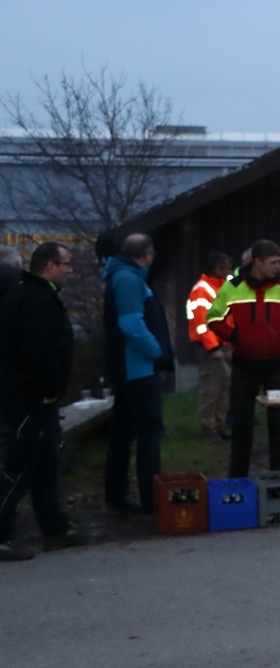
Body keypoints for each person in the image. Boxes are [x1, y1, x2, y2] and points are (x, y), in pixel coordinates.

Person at [0, 242, 83, 560]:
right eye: (66, 264)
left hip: (30, 396)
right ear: (49, 266)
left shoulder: (29, 294)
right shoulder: (36, 299)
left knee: (46, 462)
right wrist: (48, 388)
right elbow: (38, 350)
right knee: (19, 466)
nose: (70, 270)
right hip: (29, 397)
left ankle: (55, 527)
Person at [207, 239, 280, 478]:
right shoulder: (233, 287)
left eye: (279, 262)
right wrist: (235, 336)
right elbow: (213, 317)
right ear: (258, 262)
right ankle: (238, 481)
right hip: (244, 365)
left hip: (278, 365)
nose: (278, 266)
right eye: (273, 262)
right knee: (241, 425)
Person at [103, 233, 174, 513]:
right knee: (147, 434)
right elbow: (131, 323)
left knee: (124, 432)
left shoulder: (123, 275)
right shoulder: (129, 280)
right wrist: (157, 351)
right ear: (147, 256)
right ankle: (148, 498)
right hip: (138, 370)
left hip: (131, 369)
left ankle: (119, 495)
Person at [186, 251, 233, 442]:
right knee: (211, 390)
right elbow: (201, 324)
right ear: (217, 269)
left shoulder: (223, 285)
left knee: (224, 389)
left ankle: (219, 426)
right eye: (227, 268)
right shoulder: (202, 291)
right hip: (209, 348)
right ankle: (208, 429)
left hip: (223, 344)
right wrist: (214, 348)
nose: (230, 272)